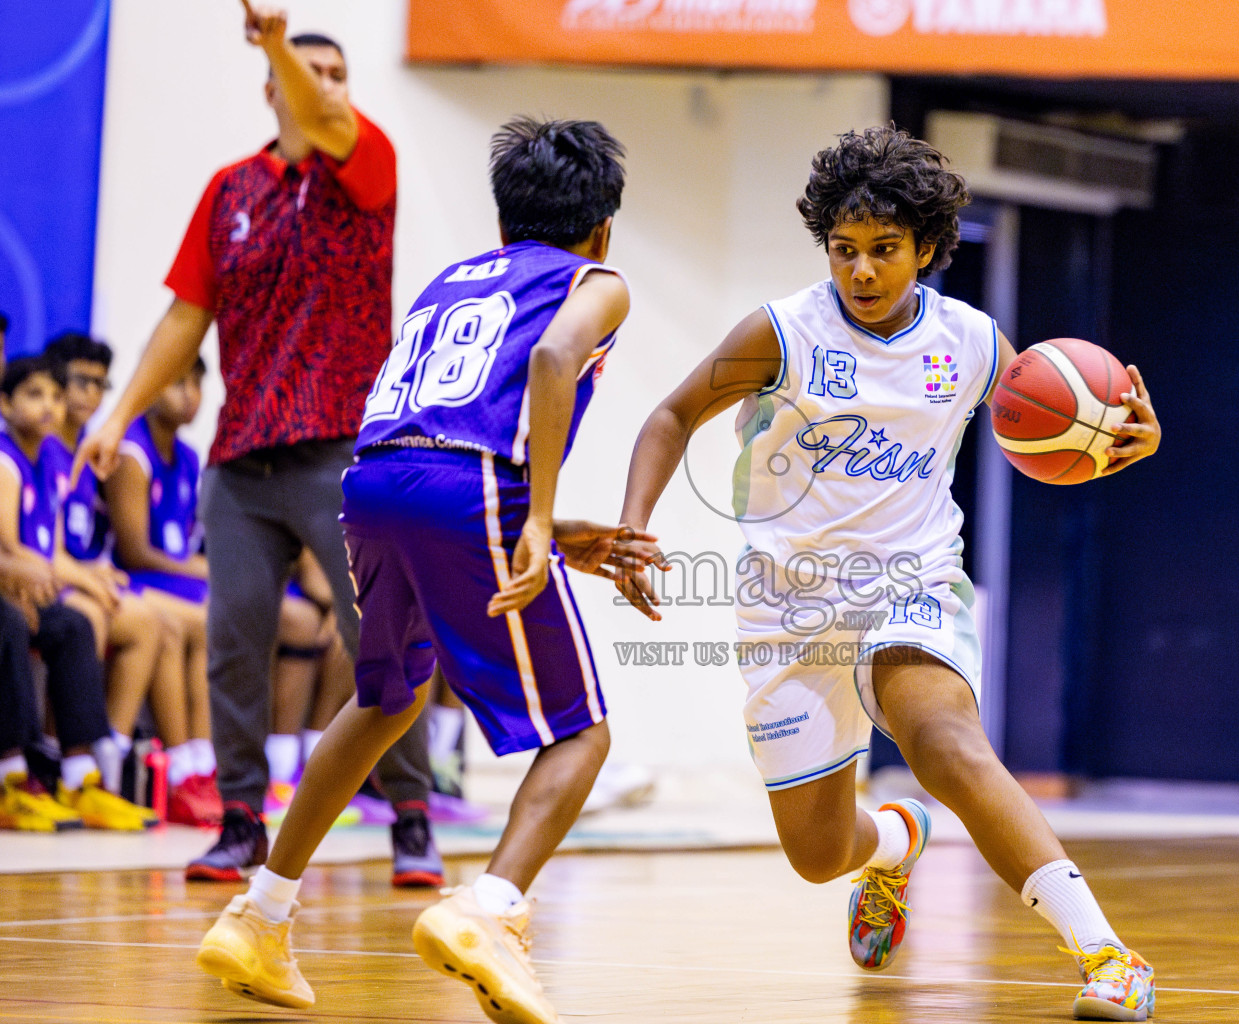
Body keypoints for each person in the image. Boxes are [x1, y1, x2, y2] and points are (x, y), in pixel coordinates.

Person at [615, 126, 1163, 1022]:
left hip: (911, 585)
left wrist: (1124, 439)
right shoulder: (781, 332)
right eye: (844, 250)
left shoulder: (973, 342)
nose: (862, 271)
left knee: (945, 744)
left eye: (884, 251)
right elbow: (671, 416)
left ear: (926, 250)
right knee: (818, 852)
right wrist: (635, 527)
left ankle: (1107, 955)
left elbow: (1064, 421)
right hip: (787, 609)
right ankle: (896, 845)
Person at [193, 115, 652, 1024]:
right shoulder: (599, 280)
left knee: (386, 698)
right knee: (581, 733)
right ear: (603, 226)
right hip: (468, 486)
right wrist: (537, 518)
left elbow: (434, 436)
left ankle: (261, 912)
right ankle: (492, 910)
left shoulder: (453, 281)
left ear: (502, 224)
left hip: (371, 485)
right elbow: (557, 360)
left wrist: (548, 528)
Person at [77, 3, 437, 883]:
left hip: (342, 449)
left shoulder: (370, 165)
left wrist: (275, 34)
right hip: (241, 456)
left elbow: (329, 119)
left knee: (377, 637)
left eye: (340, 78)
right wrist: (117, 414)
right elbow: (185, 313)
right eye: (311, 78)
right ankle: (240, 820)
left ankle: (413, 817)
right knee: (237, 641)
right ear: (269, 91)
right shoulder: (229, 190)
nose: (329, 92)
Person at [44, 331, 215, 821]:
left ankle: (142, 768)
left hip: (93, 578)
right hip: (100, 579)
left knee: (208, 617)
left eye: (100, 385)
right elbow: (135, 551)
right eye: (74, 384)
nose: (88, 396)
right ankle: (154, 769)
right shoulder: (118, 451)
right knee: (162, 621)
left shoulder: (95, 447)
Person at [0, 357, 154, 830]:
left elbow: (54, 549)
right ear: (4, 404)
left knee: (74, 625)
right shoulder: (6, 460)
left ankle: (80, 775)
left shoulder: (50, 460)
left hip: (33, 584)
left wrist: (89, 576)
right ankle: (13, 778)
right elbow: (9, 548)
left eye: (52, 395)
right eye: (33, 395)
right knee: (9, 622)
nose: (49, 406)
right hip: (9, 588)